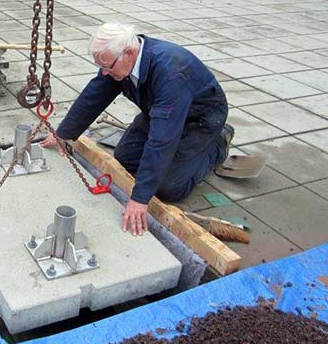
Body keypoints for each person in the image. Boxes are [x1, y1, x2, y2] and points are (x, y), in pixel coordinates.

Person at [42, 23, 234, 237]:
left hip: (200, 119)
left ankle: (218, 145)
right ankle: (180, 157)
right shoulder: (119, 63)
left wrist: (140, 198)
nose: (104, 72)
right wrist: (63, 134)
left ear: (129, 53)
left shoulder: (171, 73)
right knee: (125, 156)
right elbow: (94, 95)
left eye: (108, 66)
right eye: (101, 66)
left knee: (168, 187)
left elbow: (162, 139)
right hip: (161, 109)